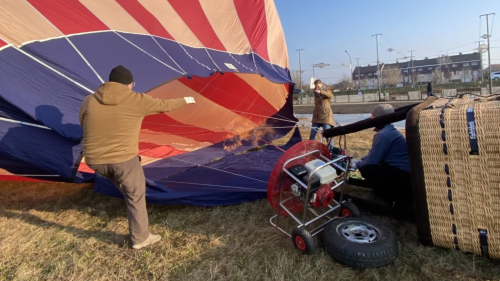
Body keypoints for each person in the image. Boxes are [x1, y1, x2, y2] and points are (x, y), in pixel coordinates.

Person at [79, 65, 195, 249]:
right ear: (128, 84)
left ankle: (127, 193)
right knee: (135, 194)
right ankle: (141, 238)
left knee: (124, 184)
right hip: (122, 160)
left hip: (94, 160)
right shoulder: (136, 99)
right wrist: (187, 99)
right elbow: (165, 105)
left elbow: (83, 121)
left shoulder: (89, 100)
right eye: (132, 84)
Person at [350, 104, 413, 211]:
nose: (371, 119)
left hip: (403, 176)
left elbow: (373, 160)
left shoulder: (383, 135)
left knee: (368, 169)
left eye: (373, 117)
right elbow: (377, 154)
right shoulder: (390, 131)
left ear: (380, 119)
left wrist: (357, 164)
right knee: (371, 165)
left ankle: (392, 197)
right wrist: (360, 160)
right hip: (406, 173)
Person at [309, 79, 334, 148]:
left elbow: (330, 96)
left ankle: (331, 150)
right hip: (316, 117)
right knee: (312, 135)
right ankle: (310, 149)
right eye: (315, 87)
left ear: (321, 85)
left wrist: (321, 91)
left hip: (325, 117)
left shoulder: (327, 90)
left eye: (318, 86)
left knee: (327, 135)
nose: (317, 88)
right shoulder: (316, 94)